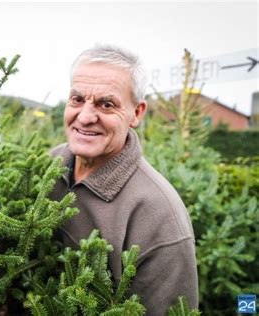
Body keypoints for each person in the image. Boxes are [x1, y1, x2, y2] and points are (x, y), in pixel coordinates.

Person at [49, 44, 198, 315]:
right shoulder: (45, 166)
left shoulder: (159, 217)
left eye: (107, 105)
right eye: (77, 99)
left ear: (137, 113)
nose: (85, 116)